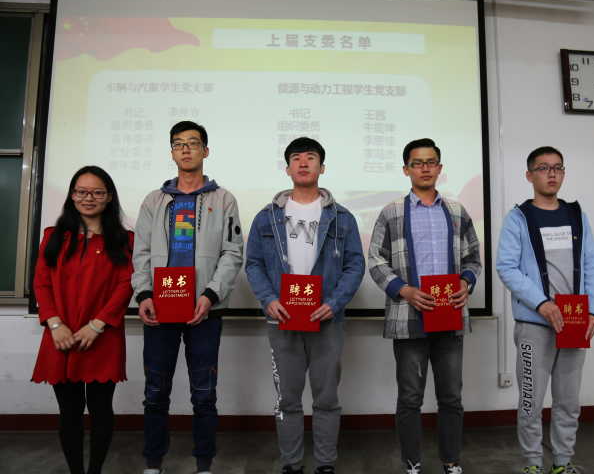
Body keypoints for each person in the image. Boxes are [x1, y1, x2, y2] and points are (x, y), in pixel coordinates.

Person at [245, 137, 365, 474]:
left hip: (327, 320)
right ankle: (292, 464)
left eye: (310, 157)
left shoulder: (342, 218)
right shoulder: (266, 217)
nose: (303, 163)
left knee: (326, 398)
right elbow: (253, 263)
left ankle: (325, 464)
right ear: (287, 169)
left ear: (321, 167)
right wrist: (268, 299)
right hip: (282, 319)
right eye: (296, 158)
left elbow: (355, 265)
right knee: (288, 399)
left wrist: (334, 303)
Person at [131, 121, 244, 474]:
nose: (185, 149)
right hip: (160, 309)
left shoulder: (223, 199)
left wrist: (211, 294)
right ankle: (153, 463)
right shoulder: (154, 200)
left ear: (205, 151)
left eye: (193, 143)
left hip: (204, 311)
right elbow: (141, 252)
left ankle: (204, 464)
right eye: (178, 143)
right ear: (171, 152)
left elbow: (233, 252)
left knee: (204, 394)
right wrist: (144, 293)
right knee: (155, 392)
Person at [367, 138, 482, 474]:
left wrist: (465, 283)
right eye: (417, 163)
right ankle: (412, 463)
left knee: (451, 397)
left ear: (440, 168)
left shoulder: (457, 211)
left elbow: (474, 258)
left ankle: (451, 461)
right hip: (409, 318)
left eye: (431, 162)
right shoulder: (392, 212)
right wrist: (404, 290)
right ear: (406, 170)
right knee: (410, 398)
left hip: (450, 317)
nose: (425, 168)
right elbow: (375, 260)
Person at [496, 146, 594, 474]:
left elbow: (592, 264)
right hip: (534, 325)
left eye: (557, 167)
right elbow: (506, 267)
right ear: (529, 175)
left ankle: (562, 462)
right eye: (543, 168)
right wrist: (542, 303)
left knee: (568, 400)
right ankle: (532, 464)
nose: (551, 173)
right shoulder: (518, 218)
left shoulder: (576, 216)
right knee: (531, 400)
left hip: (574, 322)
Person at [32, 165, 134, 474]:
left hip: (103, 336)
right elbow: (42, 283)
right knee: (69, 412)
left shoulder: (124, 240)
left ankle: (95, 471)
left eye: (97, 192)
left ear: (109, 197)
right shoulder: (53, 237)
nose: (88, 198)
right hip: (60, 335)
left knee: (101, 410)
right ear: (72, 195)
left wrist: (97, 324)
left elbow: (125, 284)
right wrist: (54, 323)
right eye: (82, 192)